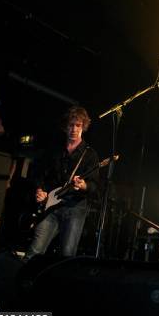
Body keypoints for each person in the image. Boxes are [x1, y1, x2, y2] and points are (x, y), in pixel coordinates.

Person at [24, 106, 99, 261]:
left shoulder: (90, 155)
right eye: (71, 125)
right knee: (34, 251)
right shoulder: (54, 151)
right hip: (50, 207)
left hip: (75, 208)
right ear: (65, 127)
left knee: (66, 255)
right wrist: (40, 190)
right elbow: (40, 174)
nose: (74, 129)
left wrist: (83, 185)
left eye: (78, 125)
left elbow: (95, 186)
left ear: (83, 127)